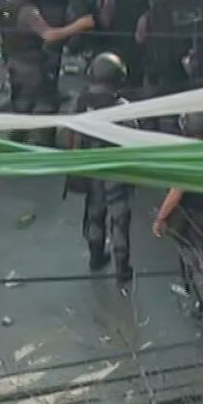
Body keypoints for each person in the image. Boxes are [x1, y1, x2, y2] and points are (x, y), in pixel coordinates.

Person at [152, 111, 203, 323]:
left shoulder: (192, 157)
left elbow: (176, 193)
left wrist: (160, 218)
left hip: (193, 219)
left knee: (196, 263)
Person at [72, 53, 135, 288]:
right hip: (117, 170)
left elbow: (73, 135)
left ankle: (96, 258)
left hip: (91, 167)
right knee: (119, 221)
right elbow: (133, 138)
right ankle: (123, 270)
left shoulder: (82, 101)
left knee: (94, 214)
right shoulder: (121, 106)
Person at [3, 0, 96, 128]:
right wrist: (80, 25)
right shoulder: (28, 12)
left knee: (22, 105)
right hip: (29, 67)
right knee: (33, 109)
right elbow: (49, 35)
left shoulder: (13, 1)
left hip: (18, 61)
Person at [135, 0, 194, 95]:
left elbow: (139, 38)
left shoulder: (147, 18)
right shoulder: (188, 14)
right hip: (169, 72)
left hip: (162, 72)